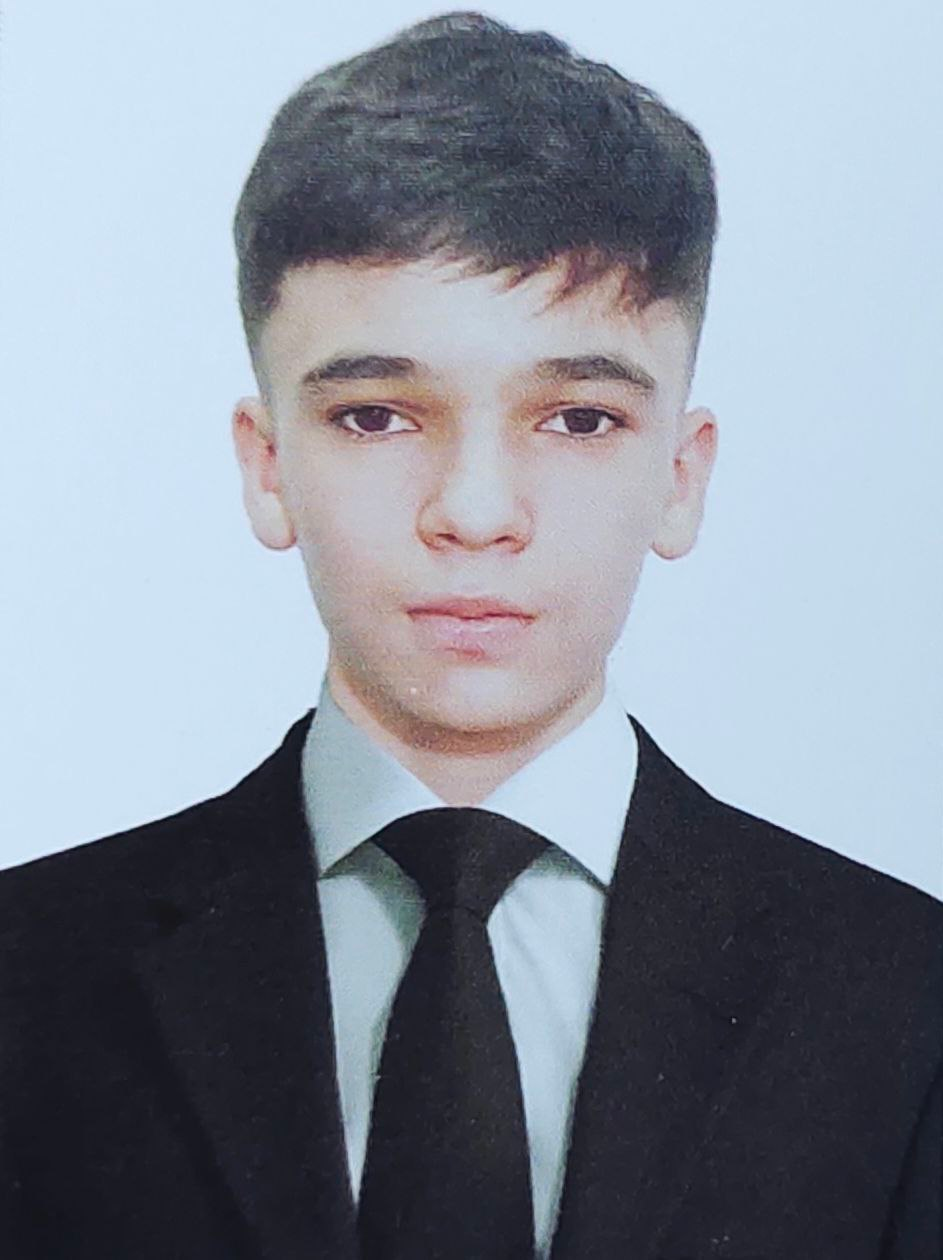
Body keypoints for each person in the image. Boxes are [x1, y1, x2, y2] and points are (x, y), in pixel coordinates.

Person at [1, 12, 939, 1259]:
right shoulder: (27, 977)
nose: (477, 511)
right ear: (268, 468)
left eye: (580, 420)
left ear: (681, 476)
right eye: (378, 417)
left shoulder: (905, 1000)